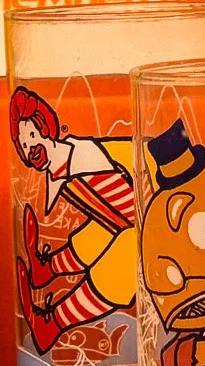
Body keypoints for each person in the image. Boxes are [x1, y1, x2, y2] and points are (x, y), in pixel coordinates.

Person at [12, 85, 135, 351]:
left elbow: (132, 214)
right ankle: (48, 269)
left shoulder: (85, 157)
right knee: (104, 228)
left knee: (131, 244)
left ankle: (53, 323)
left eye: (32, 135)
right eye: (24, 145)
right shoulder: (60, 171)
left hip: (165, 220)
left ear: (45, 126)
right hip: (137, 213)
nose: (31, 147)